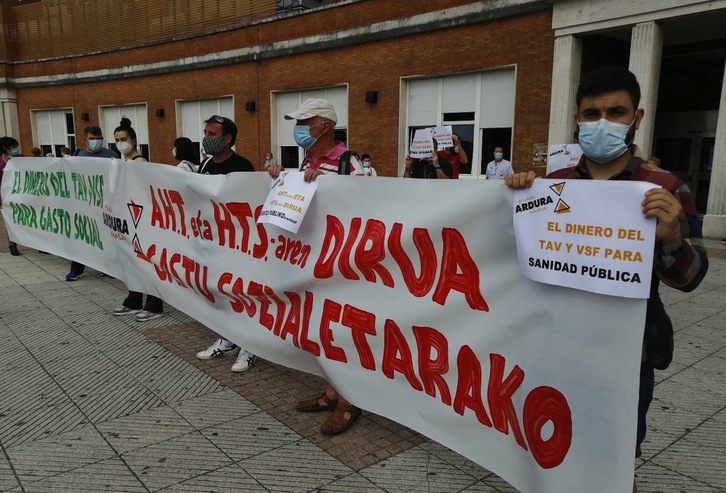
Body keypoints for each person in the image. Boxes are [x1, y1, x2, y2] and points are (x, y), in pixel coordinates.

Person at [505, 66, 709, 493]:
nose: (602, 122)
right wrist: (512, 195)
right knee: (549, 440)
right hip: (555, 344)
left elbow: (689, 278)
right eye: (590, 112)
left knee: (615, 456)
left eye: (615, 112)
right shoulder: (550, 186)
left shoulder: (664, 188)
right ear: (576, 119)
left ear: (637, 118)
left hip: (626, 355)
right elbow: (510, 257)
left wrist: (671, 238)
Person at [267, 98, 363, 435]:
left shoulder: (349, 162)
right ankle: (332, 392)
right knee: (322, 331)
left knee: (344, 334)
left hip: (344, 266)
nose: (298, 129)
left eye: (305, 122)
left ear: (324, 126)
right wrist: (281, 181)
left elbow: (368, 206)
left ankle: (351, 402)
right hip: (314, 261)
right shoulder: (307, 160)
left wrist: (324, 182)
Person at [194, 115, 258, 373]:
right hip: (213, 243)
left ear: (227, 138)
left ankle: (249, 346)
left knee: (242, 294)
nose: (206, 139)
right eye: (206, 133)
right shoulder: (206, 164)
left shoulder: (243, 166)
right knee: (220, 293)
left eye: (211, 134)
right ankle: (227, 338)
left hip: (239, 244)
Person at [111, 118, 165, 322]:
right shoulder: (121, 164)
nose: (120, 143)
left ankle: (154, 305)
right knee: (131, 264)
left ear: (133, 141)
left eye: (123, 139)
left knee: (145, 264)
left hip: (139, 222)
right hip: (127, 221)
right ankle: (133, 300)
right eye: (116, 139)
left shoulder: (139, 163)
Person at [65, 127, 118, 280]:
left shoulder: (111, 155)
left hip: (105, 202)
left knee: (105, 236)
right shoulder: (78, 156)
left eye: (99, 138)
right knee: (81, 235)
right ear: (85, 140)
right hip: (83, 203)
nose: (97, 141)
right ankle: (76, 269)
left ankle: (106, 266)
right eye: (93, 138)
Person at [1, 136, 22, 256]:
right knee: (10, 219)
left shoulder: (21, 159)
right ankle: (12, 244)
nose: (16, 149)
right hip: (6, 195)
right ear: (5, 148)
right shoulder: (0, 162)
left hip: (21, 193)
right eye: (13, 147)